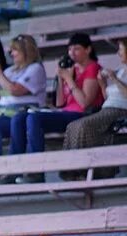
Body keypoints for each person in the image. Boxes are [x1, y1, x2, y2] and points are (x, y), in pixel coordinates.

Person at [23, 33, 103, 170]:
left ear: (88, 49)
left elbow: (85, 103)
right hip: (66, 112)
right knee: (20, 119)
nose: (72, 53)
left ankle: (34, 169)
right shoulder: (73, 69)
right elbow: (60, 103)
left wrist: (69, 80)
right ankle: (14, 169)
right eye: (70, 49)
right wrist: (61, 78)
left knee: (34, 120)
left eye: (76, 49)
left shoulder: (93, 68)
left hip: (82, 115)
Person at [62, 38, 127, 179]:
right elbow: (108, 96)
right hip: (108, 107)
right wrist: (102, 83)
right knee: (72, 126)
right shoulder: (122, 71)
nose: (118, 53)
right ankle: (72, 171)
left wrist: (114, 79)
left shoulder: (119, 74)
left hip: (121, 110)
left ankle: (88, 171)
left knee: (84, 126)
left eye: (121, 49)